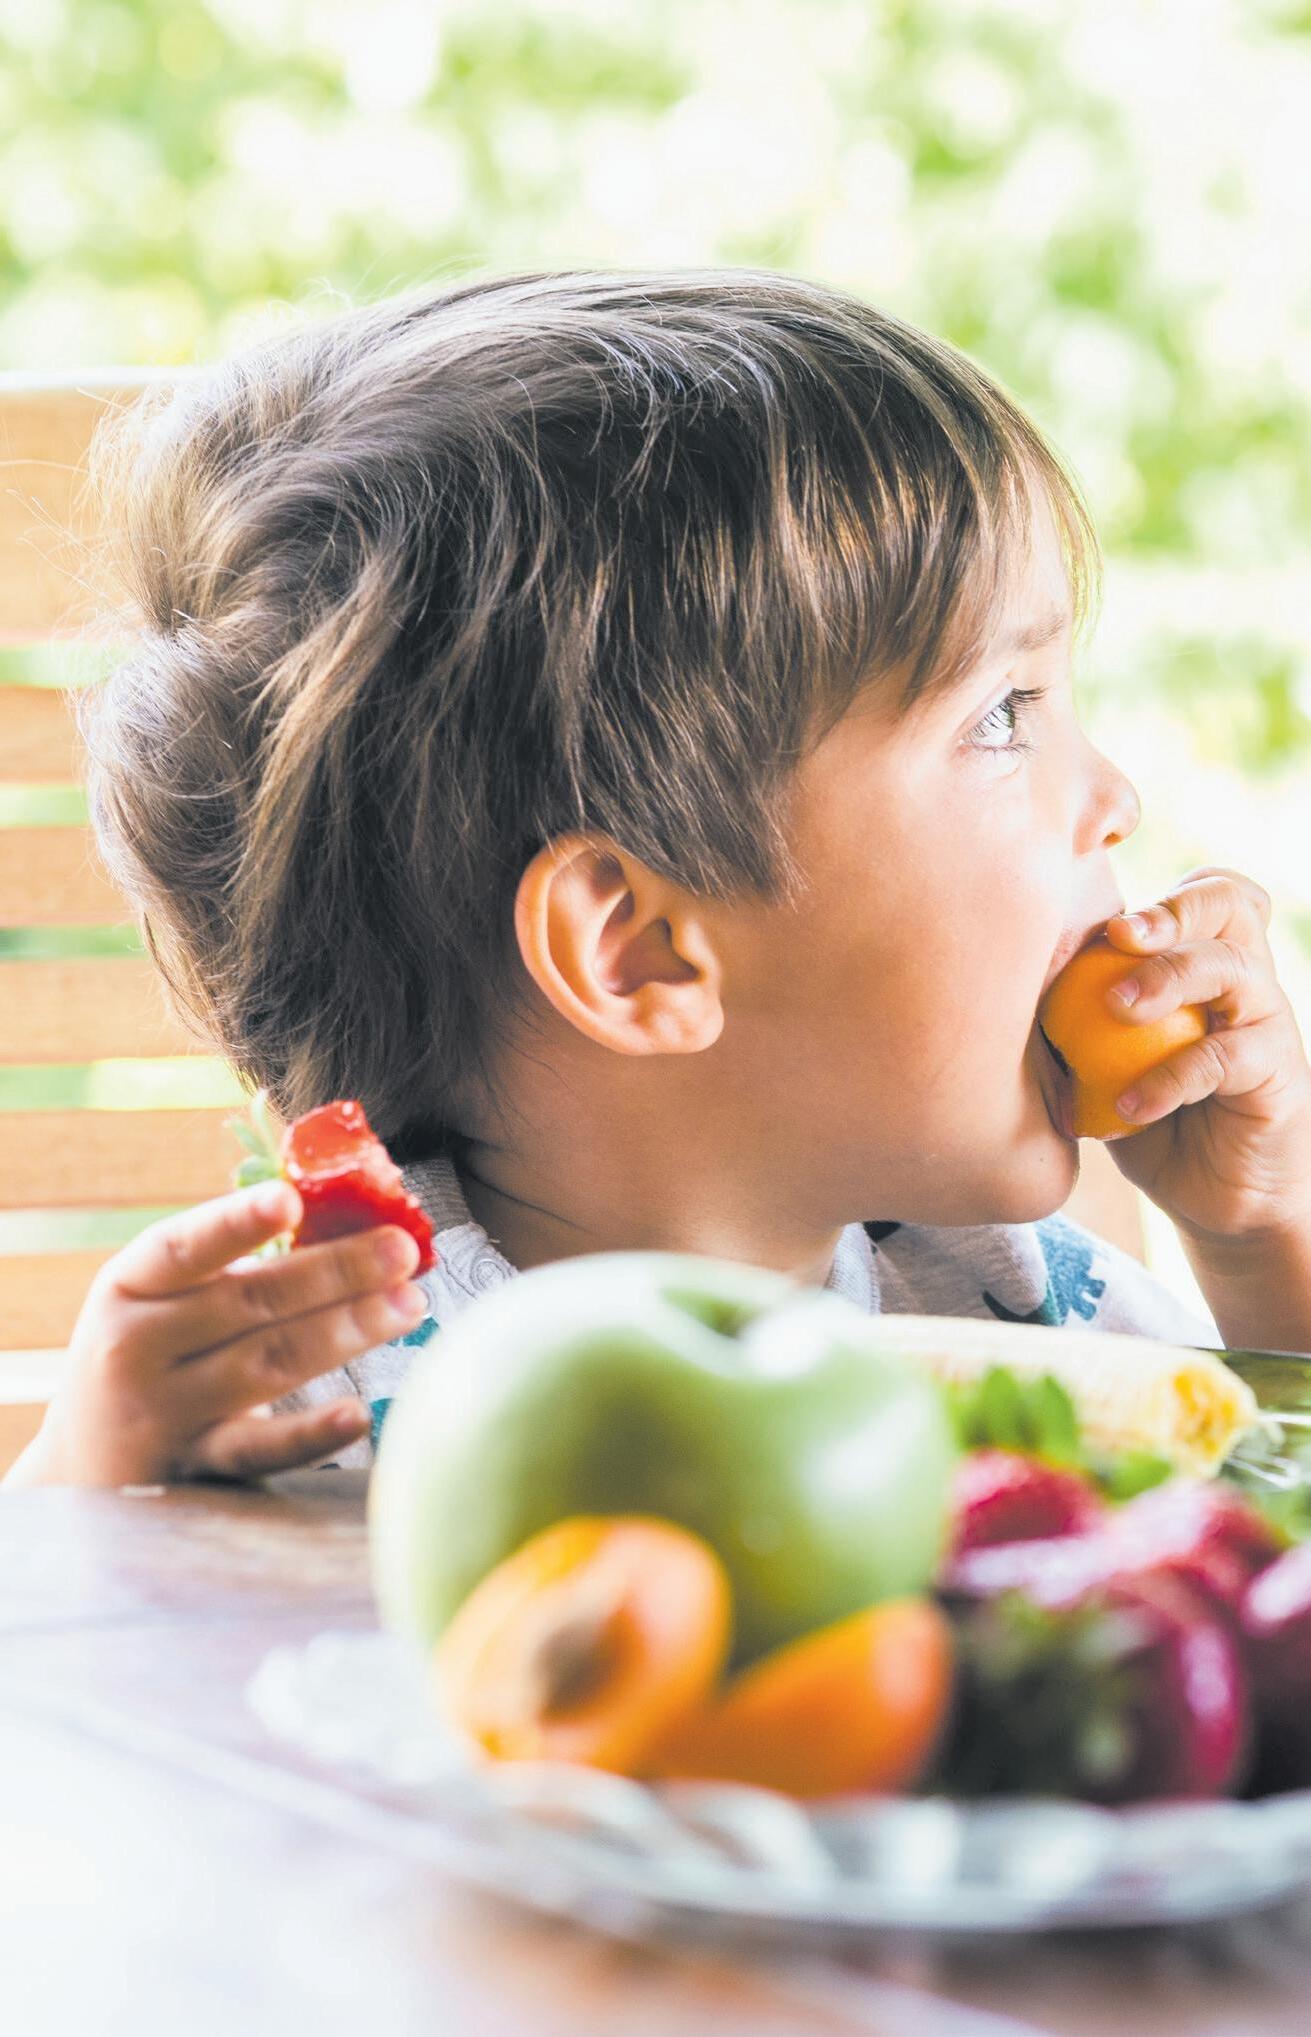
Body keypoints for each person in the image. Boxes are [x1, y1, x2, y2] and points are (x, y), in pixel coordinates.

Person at [8, 269, 1311, 1489]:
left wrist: (1265, 1244)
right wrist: (93, 1487)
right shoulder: (318, 1386)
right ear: (637, 950)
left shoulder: (1023, 1311)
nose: (1116, 798)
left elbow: (1266, 1564)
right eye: (1001, 715)